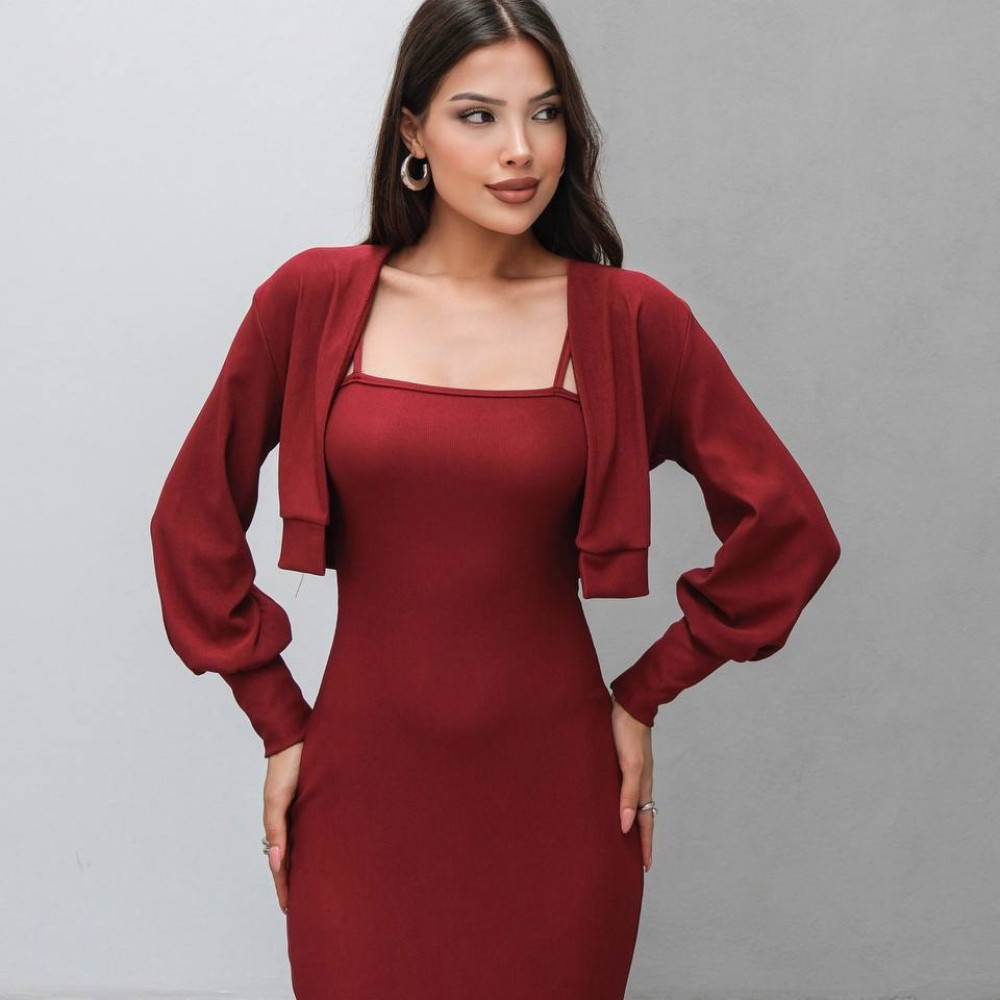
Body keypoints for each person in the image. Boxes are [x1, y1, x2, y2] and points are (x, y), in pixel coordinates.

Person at [149, 1, 841, 996]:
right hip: (360, 800)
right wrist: (277, 715)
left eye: (545, 113)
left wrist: (646, 691)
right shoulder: (310, 301)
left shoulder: (630, 321)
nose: (521, 149)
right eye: (478, 115)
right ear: (412, 132)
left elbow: (789, 530)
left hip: (559, 804)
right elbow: (190, 519)